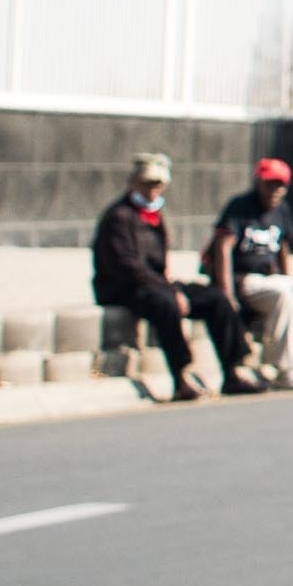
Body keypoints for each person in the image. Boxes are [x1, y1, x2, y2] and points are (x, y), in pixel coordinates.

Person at [90, 154, 245, 401]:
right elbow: (129, 267)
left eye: (158, 185)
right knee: (166, 305)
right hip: (124, 287)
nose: (153, 190)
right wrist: (171, 291)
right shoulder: (119, 217)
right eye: (148, 184)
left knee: (215, 298)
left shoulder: (155, 215)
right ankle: (180, 376)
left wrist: (171, 286)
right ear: (134, 182)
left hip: (156, 283)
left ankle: (232, 371)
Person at [205, 157, 293, 389]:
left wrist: (288, 278)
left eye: (281, 185)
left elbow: (283, 247)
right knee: (282, 295)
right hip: (244, 278)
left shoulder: (281, 209)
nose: (275, 190)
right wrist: (226, 293)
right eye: (270, 184)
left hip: (272, 278)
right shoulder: (240, 207)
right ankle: (285, 369)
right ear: (258, 182)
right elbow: (223, 247)